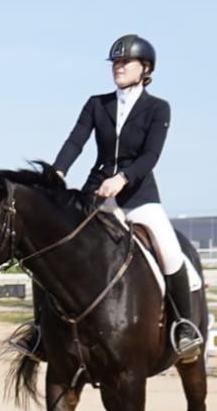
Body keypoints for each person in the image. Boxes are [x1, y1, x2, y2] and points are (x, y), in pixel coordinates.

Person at [34, 34, 200, 361]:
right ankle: (41, 331)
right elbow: (75, 141)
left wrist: (123, 178)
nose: (118, 67)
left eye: (125, 62)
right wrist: (57, 172)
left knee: (169, 250)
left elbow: (151, 155)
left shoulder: (158, 108)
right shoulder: (98, 104)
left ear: (145, 68)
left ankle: (182, 326)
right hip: (95, 193)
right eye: (115, 62)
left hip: (139, 195)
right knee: (51, 248)